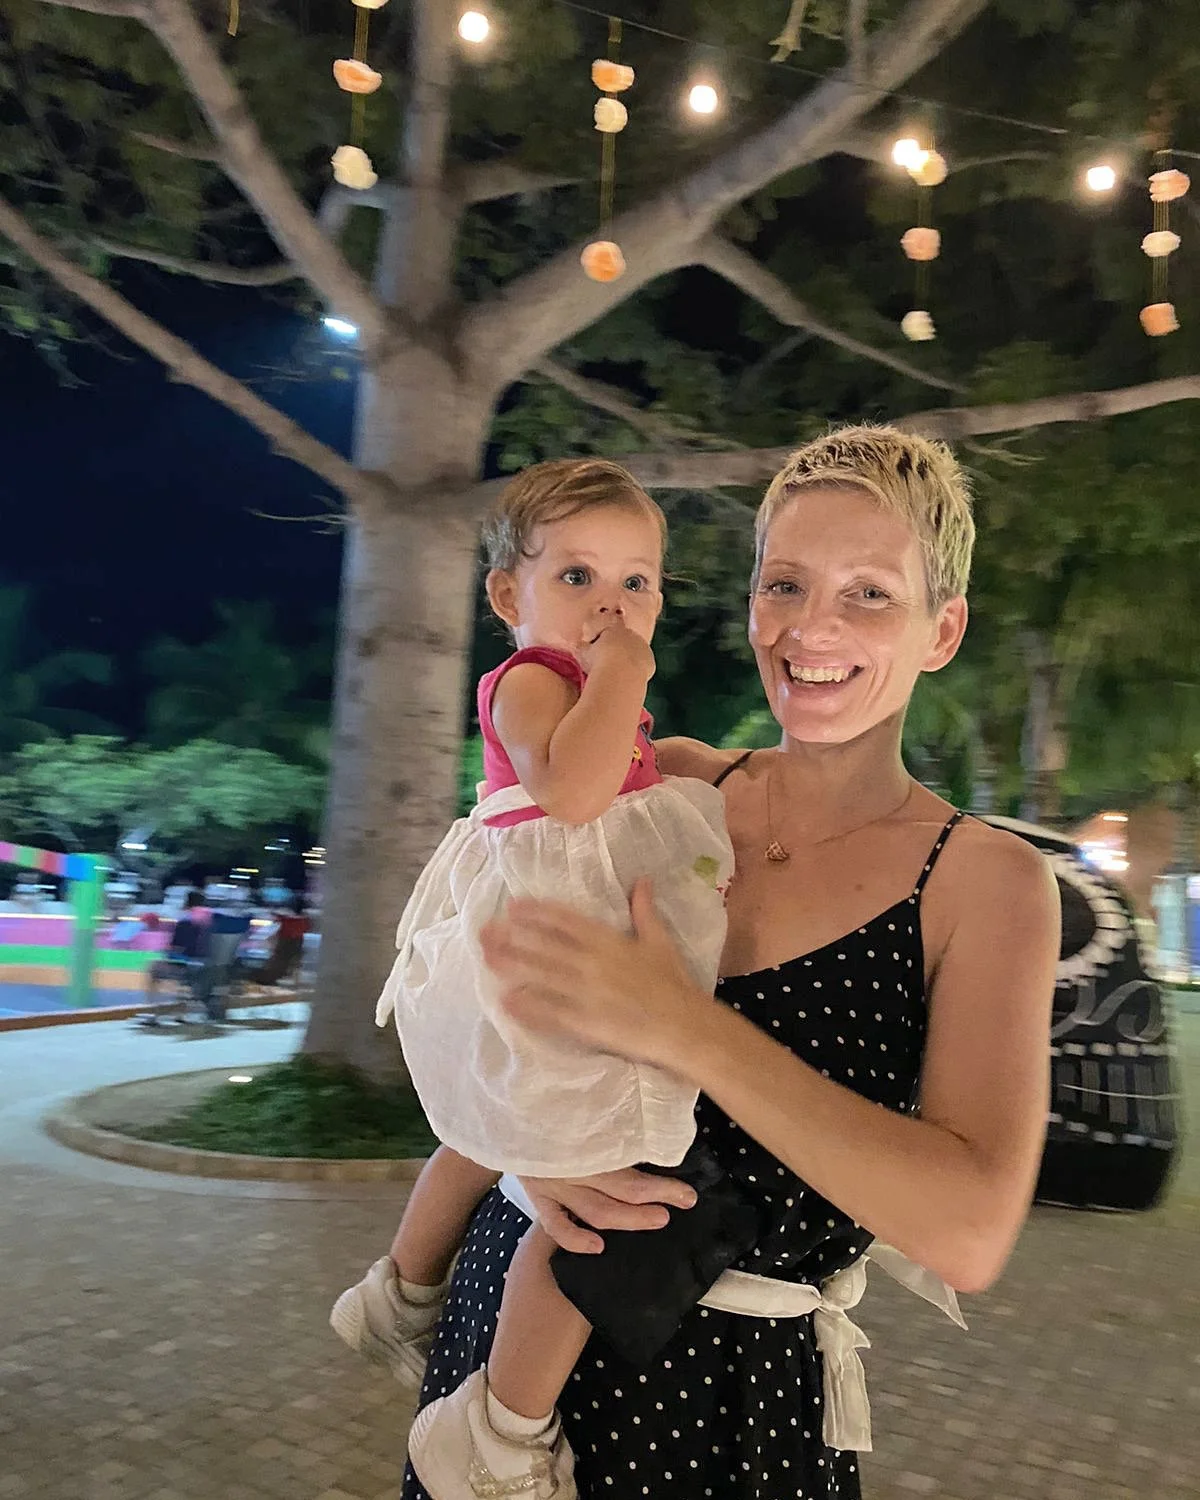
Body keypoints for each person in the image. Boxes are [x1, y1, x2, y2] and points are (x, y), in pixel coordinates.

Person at [400, 425, 1061, 1500]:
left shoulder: (983, 882)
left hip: (726, 1412)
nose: (814, 627)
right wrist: (530, 1153)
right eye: (785, 584)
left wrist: (687, 1030)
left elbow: (972, 1233)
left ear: (943, 629)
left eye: (870, 595)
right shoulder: (670, 793)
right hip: (507, 1337)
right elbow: (470, 967)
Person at [332, 458, 745, 1500]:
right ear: (509, 597)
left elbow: (629, 783)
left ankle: (398, 1294)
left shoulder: (591, 690)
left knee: (480, 1142)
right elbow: (569, 792)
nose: (612, 604)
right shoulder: (533, 682)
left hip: (572, 940)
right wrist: (627, 675)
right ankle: (501, 1431)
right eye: (577, 577)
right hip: (557, 945)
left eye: (637, 582)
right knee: (603, 1185)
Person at [141, 890, 212, 1021]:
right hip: (207, 966)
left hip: (187, 966)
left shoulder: (186, 921)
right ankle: (182, 1012)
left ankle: (152, 1011)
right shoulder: (211, 921)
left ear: (187, 903)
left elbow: (178, 947)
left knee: (154, 968)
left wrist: (167, 953)